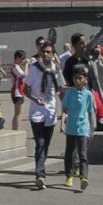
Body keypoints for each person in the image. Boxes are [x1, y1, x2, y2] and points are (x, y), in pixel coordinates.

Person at [24, 42, 63, 188]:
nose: (46, 55)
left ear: (53, 54)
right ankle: (40, 174)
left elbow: (60, 87)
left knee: (46, 144)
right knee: (39, 143)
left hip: (51, 112)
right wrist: (34, 98)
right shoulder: (34, 69)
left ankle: (41, 167)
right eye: (44, 52)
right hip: (37, 112)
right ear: (40, 53)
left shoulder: (56, 69)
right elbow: (25, 89)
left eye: (49, 52)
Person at [59, 70, 96, 191]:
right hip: (71, 128)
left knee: (83, 154)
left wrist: (91, 127)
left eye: (80, 78)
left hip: (83, 127)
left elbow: (90, 112)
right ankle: (69, 176)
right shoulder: (70, 93)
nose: (77, 81)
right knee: (70, 153)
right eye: (75, 78)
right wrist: (62, 123)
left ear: (85, 79)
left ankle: (83, 177)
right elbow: (65, 109)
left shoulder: (89, 94)